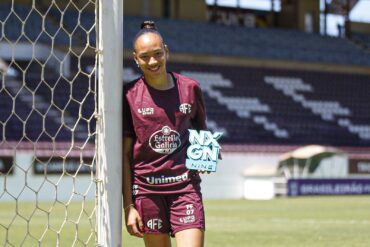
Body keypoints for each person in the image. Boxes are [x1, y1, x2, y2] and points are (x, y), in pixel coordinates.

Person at [122, 21, 208, 247]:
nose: (152, 61)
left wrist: (204, 156)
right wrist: (129, 206)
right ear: (135, 58)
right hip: (148, 192)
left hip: (185, 189)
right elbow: (125, 154)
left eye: (158, 54)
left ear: (166, 52)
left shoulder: (190, 88)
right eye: (145, 56)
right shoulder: (129, 95)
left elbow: (201, 128)